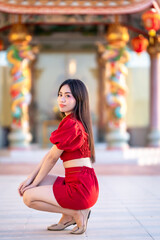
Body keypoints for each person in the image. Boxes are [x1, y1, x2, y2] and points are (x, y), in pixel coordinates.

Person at [18, 79, 99, 234]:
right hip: (83, 183)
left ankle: (76, 213)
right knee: (36, 183)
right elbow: (50, 154)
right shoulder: (72, 121)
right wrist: (31, 179)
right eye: (60, 94)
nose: (62, 99)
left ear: (79, 99)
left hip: (81, 189)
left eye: (68, 96)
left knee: (28, 197)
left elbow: (52, 159)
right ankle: (67, 216)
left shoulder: (72, 124)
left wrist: (32, 185)